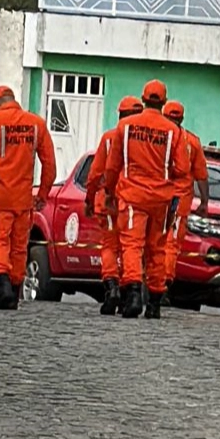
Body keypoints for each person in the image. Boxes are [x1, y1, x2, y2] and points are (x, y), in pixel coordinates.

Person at [0, 86, 56, 310]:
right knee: (19, 247)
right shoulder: (37, 124)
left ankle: (3, 286)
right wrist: (43, 193)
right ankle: (14, 292)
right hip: (24, 199)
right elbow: (50, 165)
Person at [104, 80, 190, 319]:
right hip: (161, 199)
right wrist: (176, 200)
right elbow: (183, 171)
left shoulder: (126, 126)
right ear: (163, 102)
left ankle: (132, 294)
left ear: (143, 100)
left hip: (132, 196)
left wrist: (109, 192)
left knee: (132, 245)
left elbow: (113, 166)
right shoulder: (174, 132)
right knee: (157, 249)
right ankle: (154, 302)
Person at [85, 96, 143, 316]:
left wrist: (89, 199)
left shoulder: (109, 138)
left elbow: (96, 173)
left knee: (110, 246)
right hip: (134, 202)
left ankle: (112, 289)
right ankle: (132, 294)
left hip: (110, 200)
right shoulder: (143, 138)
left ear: (119, 115)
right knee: (133, 247)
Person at [161, 100, 209, 305]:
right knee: (171, 244)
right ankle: (161, 285)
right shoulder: (192, 141)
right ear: (182, 118)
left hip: (156, 196)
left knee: (149, 241)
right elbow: (201, 175)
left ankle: (140, 282)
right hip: (179, 200)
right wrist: (205, 202)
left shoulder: (156, 135)